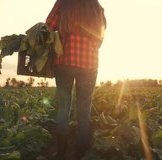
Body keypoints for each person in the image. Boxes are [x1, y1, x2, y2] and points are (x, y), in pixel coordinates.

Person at [45, 0, 106, 159]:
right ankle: (81, 154)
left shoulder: (64, 2)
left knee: (64, 108)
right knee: (84, 111)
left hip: (65, 60)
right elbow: (101, 36)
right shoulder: (97, 7)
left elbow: (48, 27)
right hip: (90, 63)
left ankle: (61, 153)